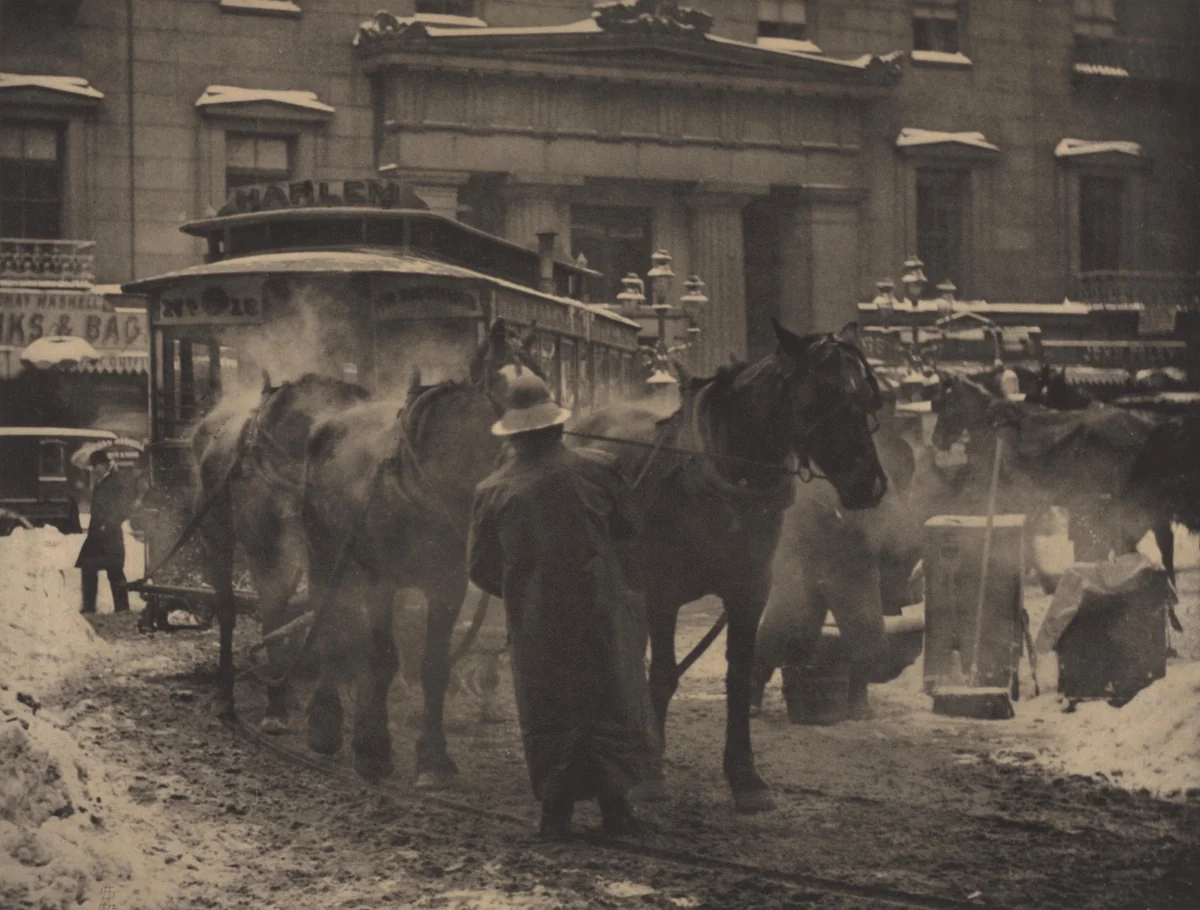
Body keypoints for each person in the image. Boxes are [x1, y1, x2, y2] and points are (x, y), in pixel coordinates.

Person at [467, 368, 659, 839]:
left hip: (536, 620)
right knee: (609, 701)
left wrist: (523, 588)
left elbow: (480, 568)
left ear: (514, 436)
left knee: (549, 709)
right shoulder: (599, 468)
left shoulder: (491, 491)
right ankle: (617, 811)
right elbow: (631, 530)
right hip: (601, 609)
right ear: (556, 427)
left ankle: (556, 814)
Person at [76, 451, 135, 614]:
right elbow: (98, 504)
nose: (93, 470)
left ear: (103, 465)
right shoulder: (101, 482)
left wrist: (109, 523)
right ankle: (89, 607)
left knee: (114, 569)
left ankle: (122, 608)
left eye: (95, 466)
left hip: (110, 533)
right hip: (97, 533)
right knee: (88, 567)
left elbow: (124, 507)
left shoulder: (117, 481)